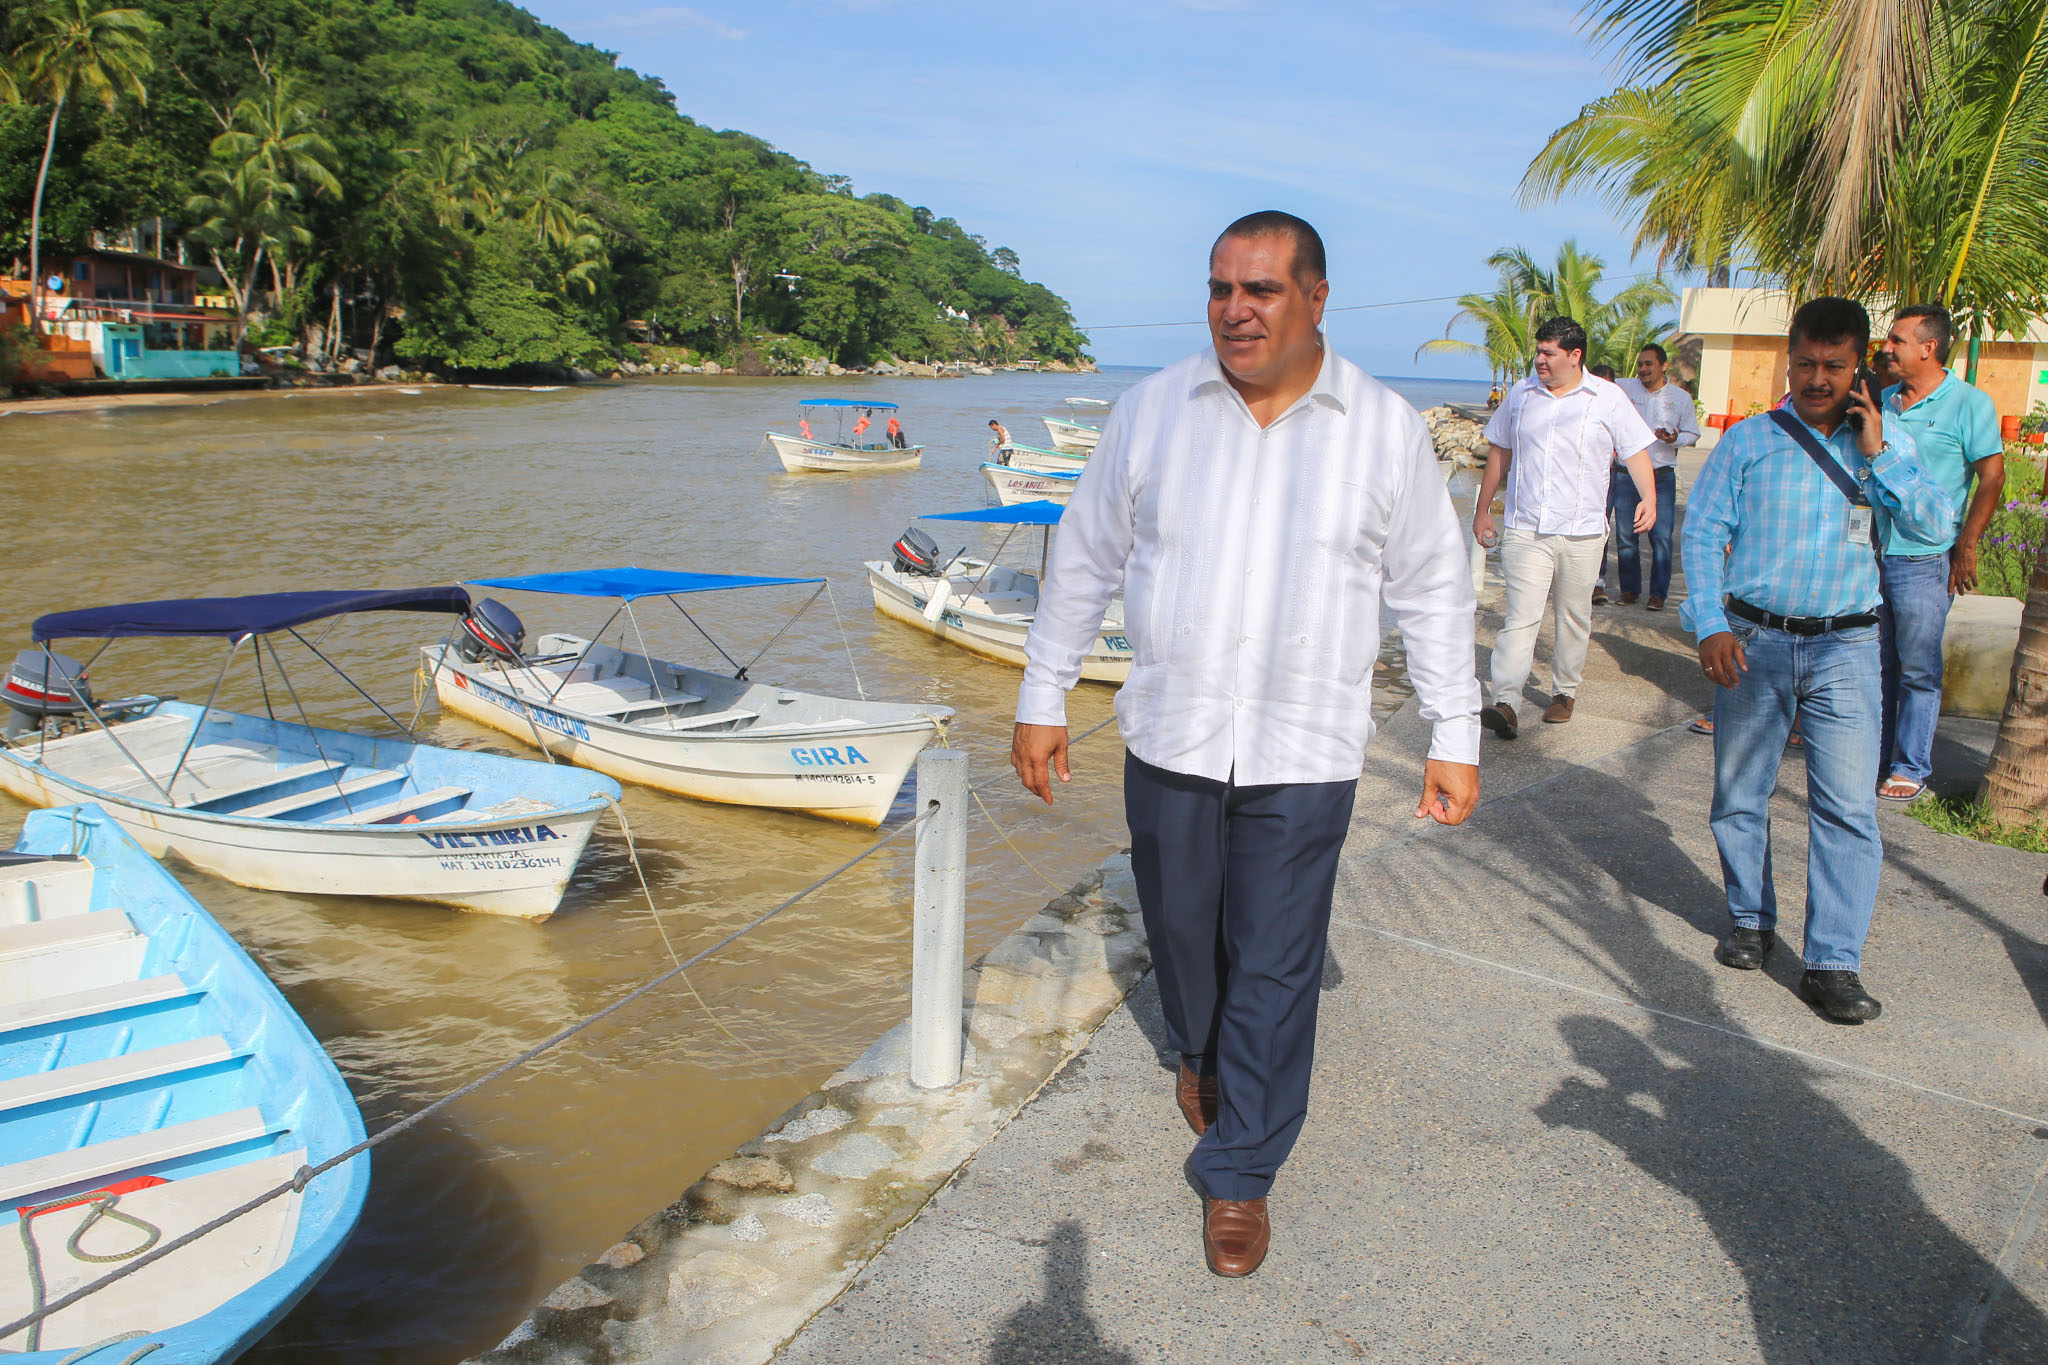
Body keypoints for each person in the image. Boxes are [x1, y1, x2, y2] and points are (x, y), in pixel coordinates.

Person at [1011, 210, 1482, 1279]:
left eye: (1260, 289)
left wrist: (1455, 732)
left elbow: (1432, 590)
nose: (1235, 308)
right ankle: (1197, 1049)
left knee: (1272, 961)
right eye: (1220, 287)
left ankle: (1241, 1173)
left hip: (1304, 743)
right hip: (1173, 730)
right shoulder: (1152, 412)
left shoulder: (1380, 428)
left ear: (1315, 299)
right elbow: (1084, 559)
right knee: (1182, 934)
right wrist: (1042, 695)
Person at [1682, 296, 1952, 1023]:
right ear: (1789, 359)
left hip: (1848, 645)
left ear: (1860, 363)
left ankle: (1832, 962)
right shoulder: (1749, 442)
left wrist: (1879, 453)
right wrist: (1709, 623)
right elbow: (1704, 534)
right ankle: (1750, 917)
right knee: (1740, 791)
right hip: (1755, 641)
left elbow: (1933, 526)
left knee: (1846, 808)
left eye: (1834, 365)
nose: (1817, 378)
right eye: (1805, 363)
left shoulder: (1886, 443)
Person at [1474, 318, 1657, 737]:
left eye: (1549, 353)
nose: (1540, 359)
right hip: (1526, 528)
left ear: (1575, 356)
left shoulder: (1607, 398)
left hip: (1583, 530)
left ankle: (1564, 691)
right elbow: (1500, 452)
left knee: (1573, 616)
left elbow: (1636, 452)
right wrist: (1483, 510)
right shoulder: (1520, 395)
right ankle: (1506, 701)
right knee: (1521, 616)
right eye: (1538, 351)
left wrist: (1650, 497)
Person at [1873, 303, 2005, 802]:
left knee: (1918, 667)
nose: (1887, 348)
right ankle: (1877, 758)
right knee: (1877, 661)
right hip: (1871, 552)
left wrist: (1966, 546)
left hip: (1925, 558)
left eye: (1896, 340)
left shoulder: (1969, 404)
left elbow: (1992, 476)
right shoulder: (1883, 402)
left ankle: (1910, 766)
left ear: (1928, 348)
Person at [1614, 342, 1701, 610]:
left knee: (1661, 536)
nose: (1643, 369)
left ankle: (1658, 595)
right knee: (1626, 534)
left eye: (1649, 364)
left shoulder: (1680, 398)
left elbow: (1693, 434)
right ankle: (1629, 590)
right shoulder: (1622, 389)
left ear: (1664, 366)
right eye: (1640, 364)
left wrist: (1674, 439)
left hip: (1661, 475)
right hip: (1626, 475)